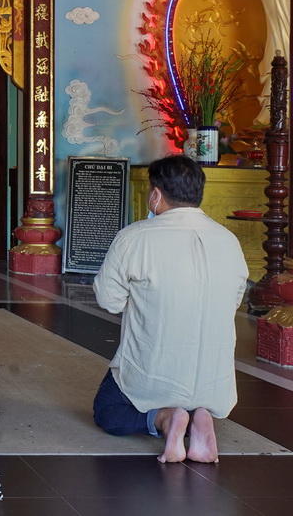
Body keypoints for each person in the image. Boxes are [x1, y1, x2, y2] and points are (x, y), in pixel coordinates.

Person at [92, 155, 248, 463]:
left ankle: (164, 420)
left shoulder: (135, 237)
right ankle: (201, 415)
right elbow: (234, 299)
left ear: (156, 194)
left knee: (108, 412)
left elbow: (108, 301)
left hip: (153, 377)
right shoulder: (229, 241)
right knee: (196, 388)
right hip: (214, 384)